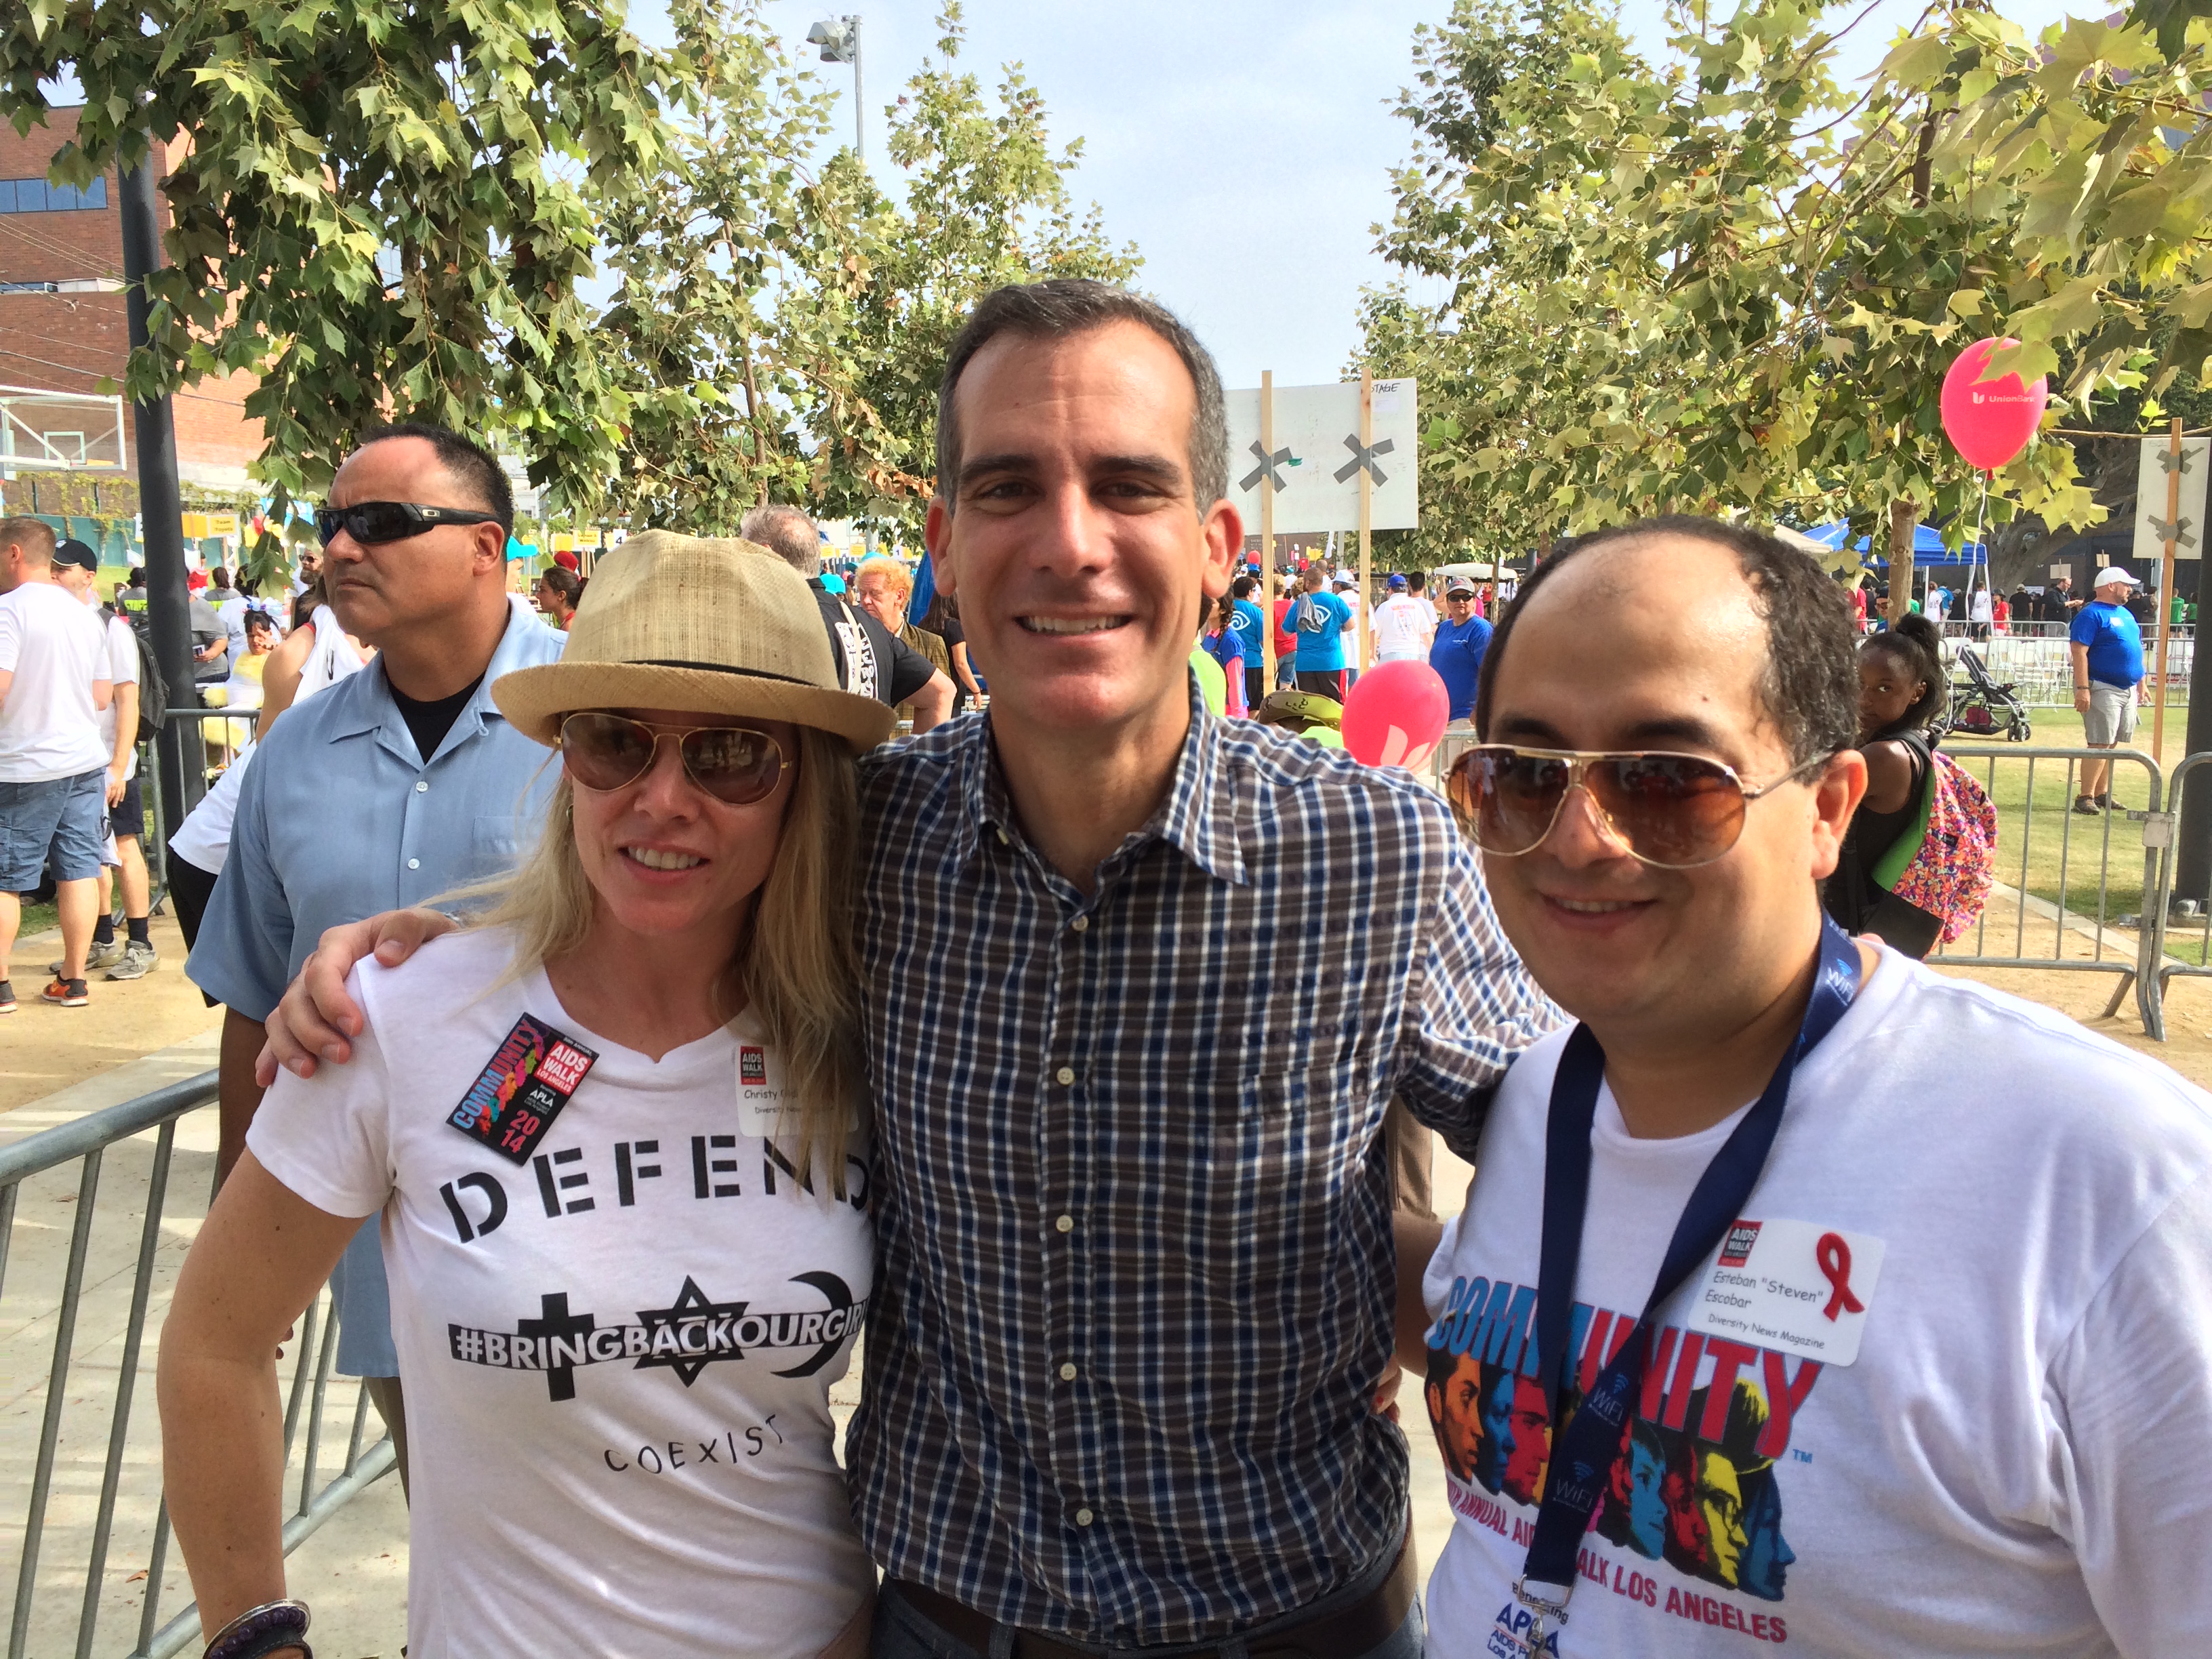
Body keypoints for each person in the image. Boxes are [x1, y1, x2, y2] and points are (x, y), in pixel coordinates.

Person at [263, 279, 1556, 1659]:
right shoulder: (860, 837)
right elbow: (638, 899)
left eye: (1128, 487)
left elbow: (1590, 1176)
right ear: (944, 542)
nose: (1070, 544)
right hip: (944, 1619)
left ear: (1219, 545)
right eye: (1008, 489)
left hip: (1294, 1621)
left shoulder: (1378, 854)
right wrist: (426, 959)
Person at [1420, 514, 2212, 1655]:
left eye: (1664, 779)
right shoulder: (1543, 1099)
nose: (1579, 837)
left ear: (1829, 809)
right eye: (1522, 775)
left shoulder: (2108, 1179)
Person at [160, 535, 887, 1659]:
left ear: (805, 787)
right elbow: (213, 1342)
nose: (660, 798)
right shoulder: (403, 1017)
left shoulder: (853, 1030)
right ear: (562, 761)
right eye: (614, 742)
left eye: (732, 755)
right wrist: (256, 1640)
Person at [186, 422, 567, 1497]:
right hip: (367, 1227)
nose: (342, 550)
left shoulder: (600, 723)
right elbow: (258, 996)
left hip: (578, 1210)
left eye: (384, 524)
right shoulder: (295, 753)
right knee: (445, 1507)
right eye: (333, 525)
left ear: (487, 548)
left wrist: (474, 1156)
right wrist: (241, 1221)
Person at [0, 516, 113, 1011]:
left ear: (14, 554)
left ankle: (1, 985)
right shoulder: (84, 615)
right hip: (83, 758)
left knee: (6, 878)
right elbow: (103, 696)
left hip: (25, 762)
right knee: (79, 869)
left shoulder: (9, 611)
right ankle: (73, 978)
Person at [741, 504, 952, 733]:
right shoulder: (870, 626)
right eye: (863, 593)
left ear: (766, 554)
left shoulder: (770, 625)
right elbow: (940, 692)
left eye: (742, 554)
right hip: (866, 766)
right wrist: (916, 766)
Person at [50, 538, 157, 981]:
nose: (55, 575)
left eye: (64, 568)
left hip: (112, 762)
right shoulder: (57, 624)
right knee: (87, 854)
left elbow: (127, 701)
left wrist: (118, 764)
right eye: (52, 568)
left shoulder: (111, 628)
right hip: (75, 762)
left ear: (88, 576)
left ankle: (141, 942)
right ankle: (102, 941)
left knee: (126, 845)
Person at [1824, 614, 1946, 958]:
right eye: (1857, 683)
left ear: (1916, 693)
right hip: (1853, 922)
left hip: (1848, 927)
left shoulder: (1885, 756)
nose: (1864, 698)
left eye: (1884, 688)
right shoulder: (1905, 744)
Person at [2071, 565, 2146, 813]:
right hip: (2102, 685)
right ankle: (2085, 796)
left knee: (2112, 743)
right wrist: (2083, 688)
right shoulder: (2091, 614)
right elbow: (2079, 652)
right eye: (2126, 585)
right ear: (2111, 586)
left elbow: (2136, 647)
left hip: (2126, 687)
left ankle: (2102, 793)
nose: (2130, 589)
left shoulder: (2125, 614)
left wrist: (2141, 682)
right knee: (2100, 742)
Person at [849, 556, 954, 726]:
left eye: (875, 593)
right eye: (862, 593)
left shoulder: (930, 644)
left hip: (910, 745)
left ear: (899, 596)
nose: (866, 601)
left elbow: (943, 706)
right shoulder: (854, 641)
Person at [1430, 576, 1493, 725]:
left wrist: (1480, 709)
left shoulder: (1480, 630)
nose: (1460, 602)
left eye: (1466, 597)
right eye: (1454, 598)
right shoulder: (1444, 628)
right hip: (1441, 717)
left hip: (1466, 718)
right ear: (1448, 602)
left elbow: (1492, 673)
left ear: (1474, 601)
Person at [1291, 564, 1354, 701]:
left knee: (1308, 706)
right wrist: (1337, 628)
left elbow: (1286, 631)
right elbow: (1350, 625)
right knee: (1335, 705)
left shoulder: (1299, 604)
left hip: (1305, 663)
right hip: (1331, 661)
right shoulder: (1336, 601)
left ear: (1308, 582)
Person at [923, 593, 983, 716]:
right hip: (951, 692)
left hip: (927, 690)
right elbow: (961, 664)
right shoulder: (954, 627)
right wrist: (976, 690)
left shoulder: (924, 625)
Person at [1372, 571, 1437, 664]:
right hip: (1412, 656)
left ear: (1390, 589)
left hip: (1389, 656)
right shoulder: (1417, 606)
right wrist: (1432, 656)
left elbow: (1374, 633)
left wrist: (1373, 654)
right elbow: (1427, 634)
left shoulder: (1384, 607)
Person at [1228, 572, 1267, 711]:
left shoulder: (1226, 608)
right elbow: (1263, 641)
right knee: (1253, 706)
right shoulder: (1257, 612)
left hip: (1227, 660)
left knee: (1231, 704)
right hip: (1252, 662)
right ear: (1249, 592)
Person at [535, 565, 584, 630]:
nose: (537, 596)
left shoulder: (569, 627)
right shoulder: (569, 623)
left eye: (543, 590)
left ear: (561, 596)